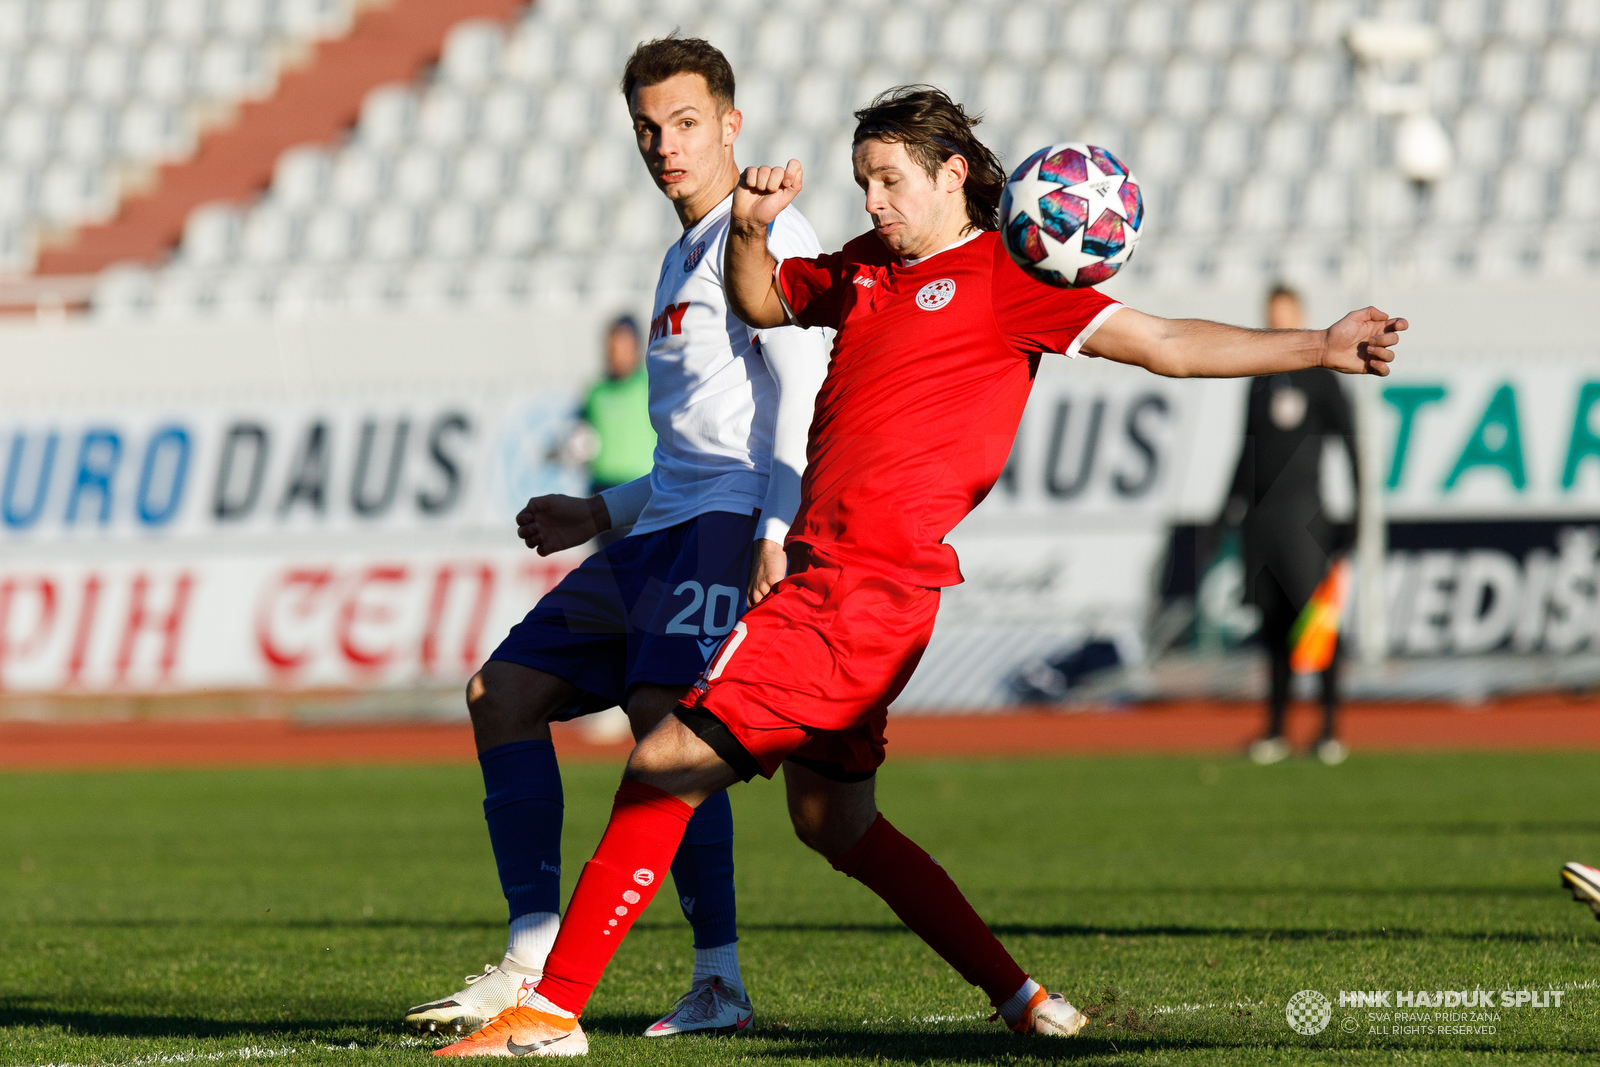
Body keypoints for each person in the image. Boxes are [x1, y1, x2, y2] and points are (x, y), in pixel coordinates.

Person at [434, 85, 1405, 1058]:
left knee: (662, 763)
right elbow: (762, 299)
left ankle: (548, 1013)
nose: (875, 201)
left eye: (891, 180)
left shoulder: (1006, 277)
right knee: (833, 820)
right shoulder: (863, 268)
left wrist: (1317, 346)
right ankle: (1019, 994)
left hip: (857, 587)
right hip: (846, 582)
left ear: (953, 175)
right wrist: (751, 231)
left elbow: (1162, 343)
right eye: (863, 182)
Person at [404, 36, 830, 1040]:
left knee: (660, 715)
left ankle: (718, 976)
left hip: (728, 525)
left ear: (731, 123)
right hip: (659, 527)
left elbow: (802, 393)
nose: (664, 144)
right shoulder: (679, 251)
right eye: (648, 126)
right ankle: (528, 955)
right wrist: (600, 513)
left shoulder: (768, 231)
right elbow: (697, 440)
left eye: (686, 123)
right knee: (499, 692)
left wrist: (777, 529)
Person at [1222, 285, 1360, 767]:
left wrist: (1358, 514)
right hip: (1262, 521)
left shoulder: (1321, 377)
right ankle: (1277, 729)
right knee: (1272, 626)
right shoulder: (1257, 378)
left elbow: (1351, 442)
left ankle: (1328, 729)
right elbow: (1246, 451)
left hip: (1306, 517)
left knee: (1316, 625)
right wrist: (1227, 512)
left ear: (1300, 315)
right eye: (1270, 313)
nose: (1277, 320)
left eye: (1285, 314)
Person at [581, 315, 654, 495]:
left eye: (623, 348)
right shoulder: (595, 392)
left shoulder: (651, 386)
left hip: (641, 487)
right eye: (612, 347)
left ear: (636, 348)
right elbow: (581, 433)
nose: (616, 355)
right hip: (601, 486)